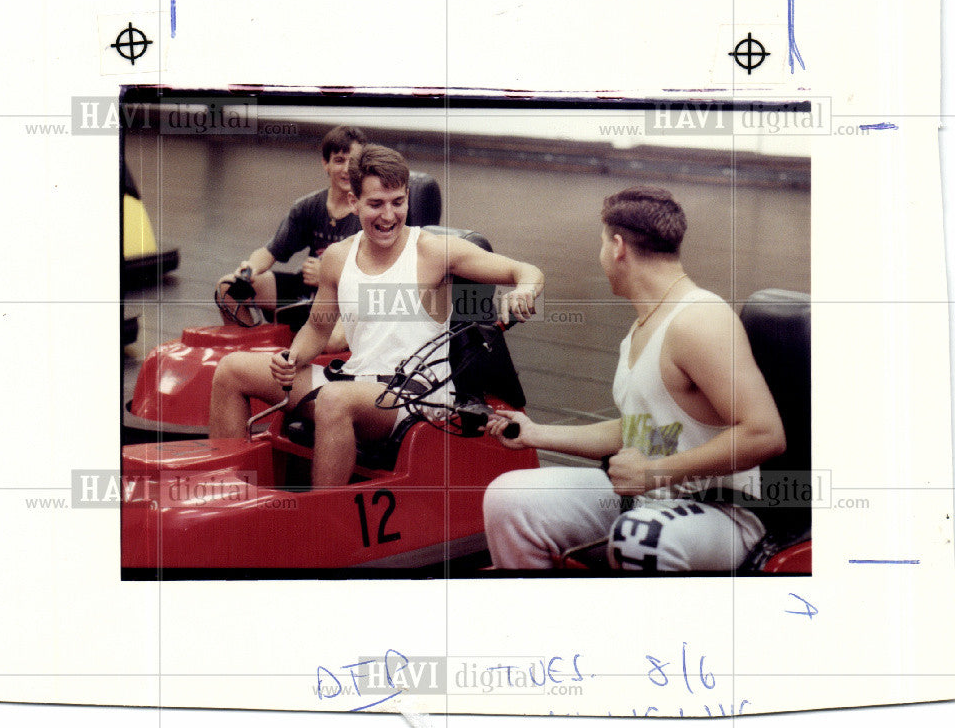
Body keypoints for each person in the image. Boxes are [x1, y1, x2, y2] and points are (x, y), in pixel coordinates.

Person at [483, 186, 786, 572]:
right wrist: (536, 433)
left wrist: (653, 473)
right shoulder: (643, 325)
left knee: (641, 535)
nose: (601, 257)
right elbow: (639, 431)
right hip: (647, 499)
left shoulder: (700, 319)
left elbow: (765, 434)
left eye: (601, 245)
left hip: (720, 512)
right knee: (509, 498)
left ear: (618, 247)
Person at [209, 144, 545, 488]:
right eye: (376, 204)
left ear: (407, 197)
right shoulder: (338, 257)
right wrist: (292, 357)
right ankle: (227, 491)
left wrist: (524, 290)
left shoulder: (433, 251)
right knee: (231, 370)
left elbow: (525, 270)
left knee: (334, 400)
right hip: (355, 381)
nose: (388, 216)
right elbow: (317, 329)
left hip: (415, 395)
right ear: (354, 202)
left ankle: (323, 527)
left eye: (397, 202)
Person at [214, 125, 367, 333]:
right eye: (339, 160)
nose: (347, 169)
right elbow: (270, 252)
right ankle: (247, 351)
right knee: (227, 289)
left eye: (354, 162)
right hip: (306, 291)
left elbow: (380, 275)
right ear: (326, 164)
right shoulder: (307, 206)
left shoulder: (370, 210)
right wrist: (249, 269)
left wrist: (331, 275)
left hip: (344, 299)